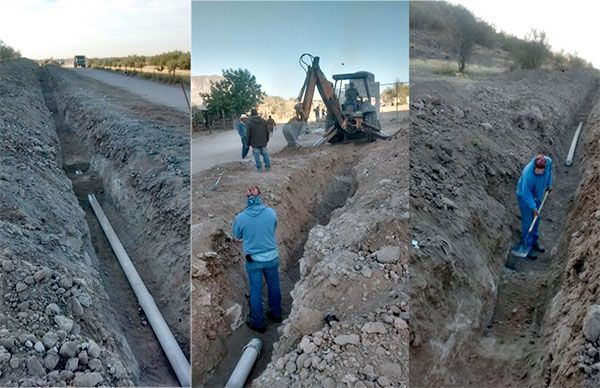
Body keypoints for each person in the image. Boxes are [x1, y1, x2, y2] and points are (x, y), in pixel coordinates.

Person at [232, 186, 282, 333]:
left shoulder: (241, 218)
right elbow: (273, 227)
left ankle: (258, 323)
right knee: (274, 286)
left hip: (253, 260)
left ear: (247, 199)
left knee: (255, 290)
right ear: (261, 196)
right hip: (271, 257)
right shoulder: (271, 213)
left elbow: (236, 236)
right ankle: (276, 314)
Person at [516, 154, 553, 260]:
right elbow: (526, 194)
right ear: (534, 166)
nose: (538, 172)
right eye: (537, 170)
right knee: (528, 222)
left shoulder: (548, 162)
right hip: (524, 197)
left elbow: (549, 173)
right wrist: (533, 208)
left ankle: (534, 242)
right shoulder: (528, 174)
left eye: (541, 171)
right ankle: (527, 246)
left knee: (536, 220)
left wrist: (549, 184)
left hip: (537, 195)